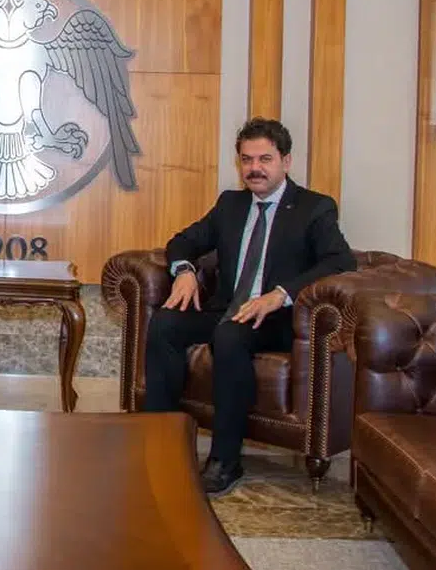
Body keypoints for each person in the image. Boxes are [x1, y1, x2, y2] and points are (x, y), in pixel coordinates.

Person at [143, 117, 357, 496]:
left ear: (286, 162)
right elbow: (182, 241)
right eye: (247, 160)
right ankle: (159, 443)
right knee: (165, 324)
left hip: (277, 319)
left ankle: (225, 460)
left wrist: (280, 294)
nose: (254, 168)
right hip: (228, 308)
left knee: (229, 336)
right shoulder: (231, 204)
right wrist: (185, 271)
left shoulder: (314, 208)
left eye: (265, 159)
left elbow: (340, 261)